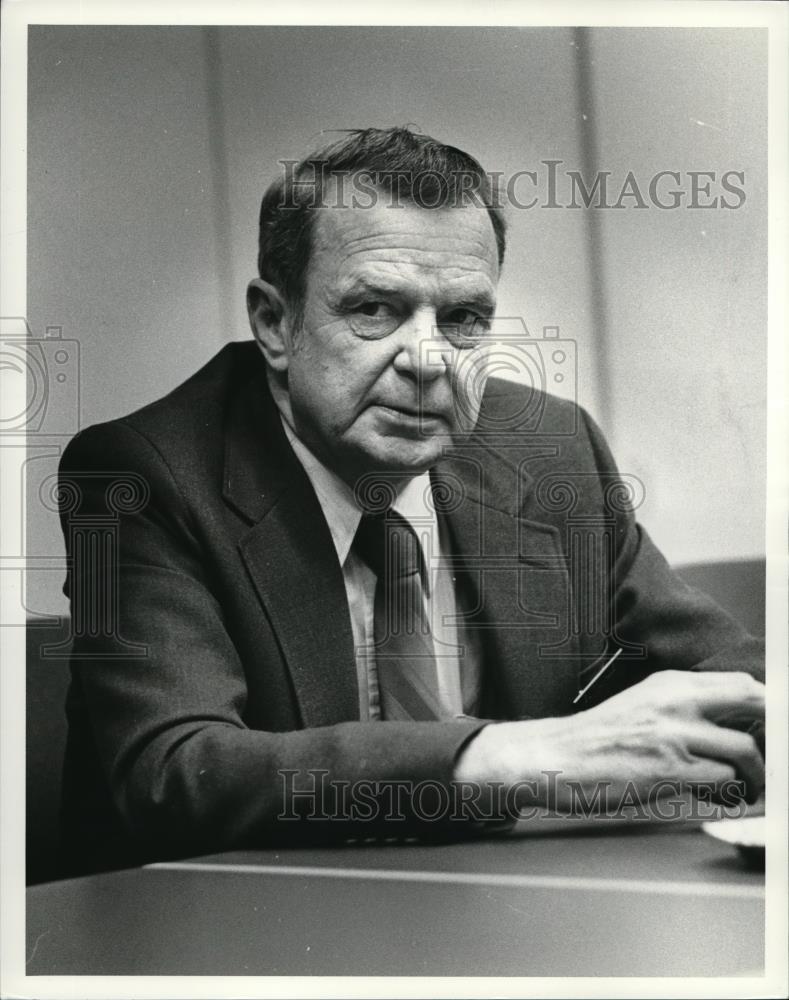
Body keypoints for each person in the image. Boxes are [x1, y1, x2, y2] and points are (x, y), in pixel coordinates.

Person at [56, 127, 764, 874]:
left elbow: (724, 671)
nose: (429, 360)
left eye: (461, 319)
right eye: (374, 309)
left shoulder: (550, 450)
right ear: (275, 322)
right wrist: (523, 755)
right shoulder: (132, 477)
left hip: (508, 910)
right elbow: (173, 775)